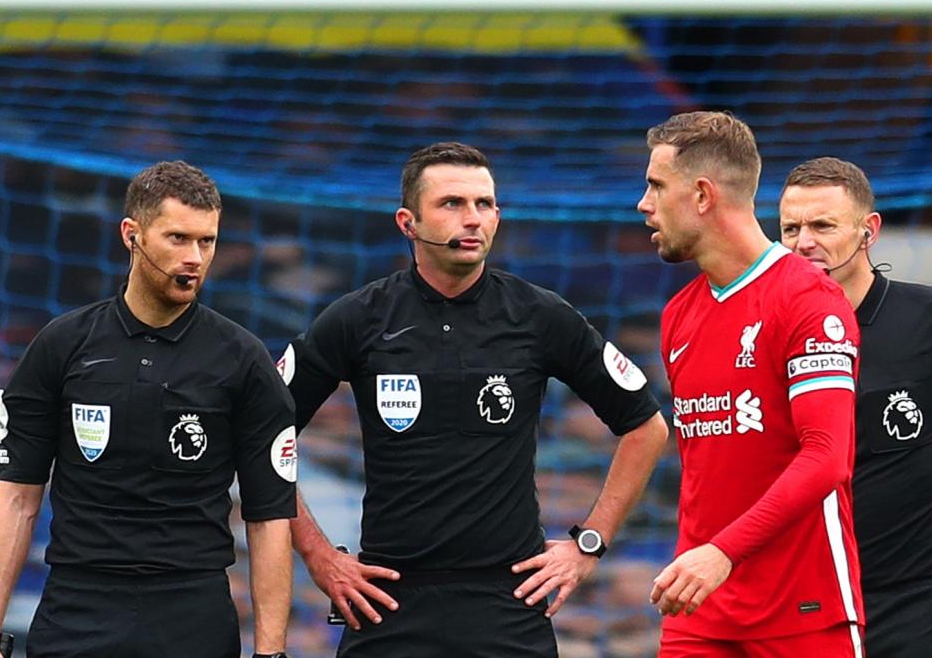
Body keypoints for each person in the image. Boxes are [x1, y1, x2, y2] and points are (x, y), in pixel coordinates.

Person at [276, 141, 668, 657]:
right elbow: (263, 433)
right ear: (407, 222)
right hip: (387, 600)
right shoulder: (357, 319)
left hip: (507, 601)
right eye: (452, 204)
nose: (473, 219)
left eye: (484, 205)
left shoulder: (539, 315)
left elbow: (646, 426)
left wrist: (587, 543)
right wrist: (320, 555)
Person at [0, 161, 295, 658]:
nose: (195, 257)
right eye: (177, 238)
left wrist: (271, 652)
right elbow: (18, 498)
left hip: (192, 614)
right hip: (77, 609)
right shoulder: (61, 346)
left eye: (207, 241)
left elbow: (268, 517)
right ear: (132, 235)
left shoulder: (243, 358)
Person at [637, 112, 864, 657]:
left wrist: (723, 551)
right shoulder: (679, 316)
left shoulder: (807, 298)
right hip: (699, 607)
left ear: (702, 195)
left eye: (655, 186)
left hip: (803, 611)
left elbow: (828, 457)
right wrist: (707, 556)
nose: (644, 204)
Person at [779, 156, 932, 657]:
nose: (804, 241)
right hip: (813, 602)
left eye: (822, 225)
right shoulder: (771, 339)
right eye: (791, 227)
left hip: (923, 601)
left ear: (868, 230)